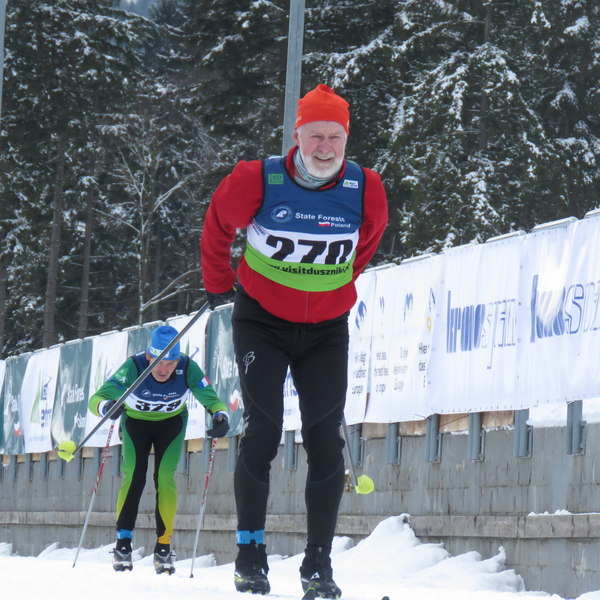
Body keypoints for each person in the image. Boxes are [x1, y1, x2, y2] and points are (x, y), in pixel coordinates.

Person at [200, 84, 388, 598]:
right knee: (263, 430)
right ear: (297, 135)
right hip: (261, 322)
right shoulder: (257, 178)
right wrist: (219, 281)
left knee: (325, 439)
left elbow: (365, 244)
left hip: (326, 329)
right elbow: (218, 225)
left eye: (334, 137)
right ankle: (250, 553)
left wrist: (329, 286)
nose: (324, 147)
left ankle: (318, 564)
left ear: (346, 138)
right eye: (315, 136)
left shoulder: (366, 187)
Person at [88, 325, 229, 574]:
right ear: (148, 357)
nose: (163, 370)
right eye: (158, 363)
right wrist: (107, 407)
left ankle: (163, 547)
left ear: (178, 361)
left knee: (165, 478)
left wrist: (220, 415)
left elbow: (210, 397)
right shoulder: (134, 366)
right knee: (134, 476)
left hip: (171, 425)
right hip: (136, 424)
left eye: (170, 364)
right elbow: (96, 399)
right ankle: (123, 543)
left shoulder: (187, 367)